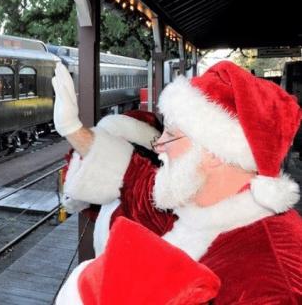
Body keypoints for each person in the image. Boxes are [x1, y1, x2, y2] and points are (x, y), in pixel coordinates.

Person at [52, 60, 302, 303]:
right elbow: (134, 178)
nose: (158, 145)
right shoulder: (200, 206)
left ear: (213, 153)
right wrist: (72, 128)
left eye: (170, 134)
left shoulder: (274, 278)